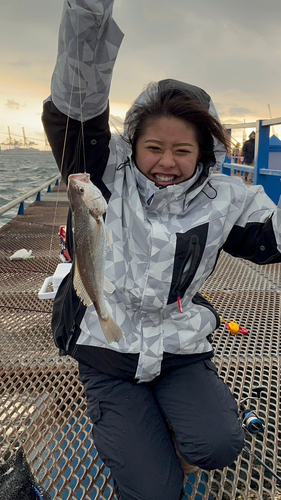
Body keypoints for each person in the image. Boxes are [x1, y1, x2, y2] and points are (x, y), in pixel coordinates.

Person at [42, 2, 281, 499]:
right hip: (106, 347)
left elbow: (271, 239)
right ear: (134, 145)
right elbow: (74, 106)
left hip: (178, 343)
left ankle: (160, 428)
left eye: (183, 151)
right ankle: (130, 429)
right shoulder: (103, 174)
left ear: (204, 153)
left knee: (218, 445)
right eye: (154, 148)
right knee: (155, 490)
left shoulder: (230, 198)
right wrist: (87, 15)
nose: (166, 163)